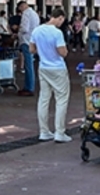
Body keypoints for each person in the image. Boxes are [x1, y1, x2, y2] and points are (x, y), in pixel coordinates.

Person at [30, 8, 70, 143]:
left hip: (43, 67)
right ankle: (60, 132)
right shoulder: (57, 33)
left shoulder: (37, 30)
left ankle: (44, 131)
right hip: (58, 68)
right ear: (59, 17)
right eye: (62, 20)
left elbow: (31, 49)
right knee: (61, 99)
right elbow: (62, 52)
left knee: (44, 99)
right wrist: (64, 51)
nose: (61, 23)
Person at [17, 0, 39, 96]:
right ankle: (29, 86)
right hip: (33, 41)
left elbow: (24, 29)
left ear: (22, 7)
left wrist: (18, 30)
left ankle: (29, 87)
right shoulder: (34, 14)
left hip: (26, 41)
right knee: (30, 64)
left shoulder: (26, 14)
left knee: (28, 65)